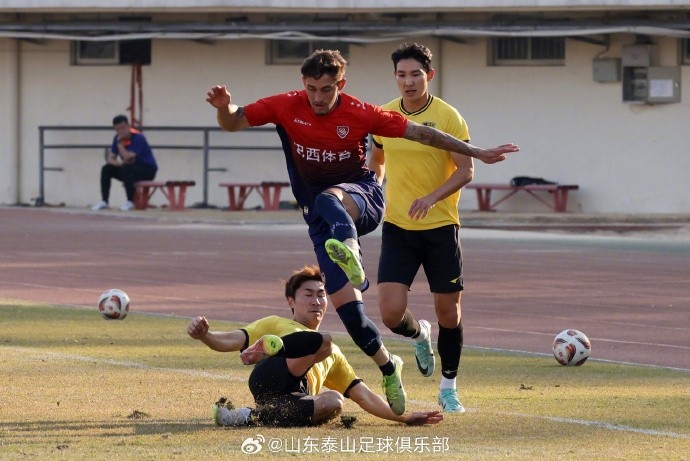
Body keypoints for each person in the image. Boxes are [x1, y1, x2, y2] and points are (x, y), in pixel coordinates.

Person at [205, 49, 518, 415]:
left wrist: (477, 152)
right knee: (352, 316)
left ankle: (351, 249)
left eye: (326, 89)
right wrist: (224, 108)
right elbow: (234, 121)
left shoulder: (362, 112)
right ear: (303, 84)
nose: (318, 98)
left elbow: (423, 134)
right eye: (312, 89)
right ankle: (389, 366)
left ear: (341, 84)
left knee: (330, 198)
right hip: (323, 223)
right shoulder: (285, 105)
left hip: (361, 200)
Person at [186, 265, 443, 427]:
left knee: (335, 401)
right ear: (291, 301)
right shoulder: (275, 323)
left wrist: (403, 417)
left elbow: (363, 395)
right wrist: (205, 335)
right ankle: (267, 351)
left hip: (293, 399)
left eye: (321, 295)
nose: (316, 301)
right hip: (269, 375)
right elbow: (230, 339)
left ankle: (247, 416)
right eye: (308, 295)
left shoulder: (335, 356)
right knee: (323, 341)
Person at [369, 43, 477, 413]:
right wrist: (372, 186)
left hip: (440, 227)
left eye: (415, 74)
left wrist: (432, 197)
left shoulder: (448, 117)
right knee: (390, 314)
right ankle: (419, 334)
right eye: (401, 75)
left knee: (449, 314)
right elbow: (377, 160)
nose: (409, 81)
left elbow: (466, 170)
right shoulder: (384, 115)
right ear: (395, 77)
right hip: (398, 227)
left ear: (429, 75)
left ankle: (448, 388)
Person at [91, 115, 157, 211]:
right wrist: (118, 164)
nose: (120, 132)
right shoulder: (117, 138)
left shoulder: (138, 137)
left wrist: (119, 144)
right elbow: (111, 158)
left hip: (147, 170)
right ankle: (104, 201)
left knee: (127, 169)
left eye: (123, 128)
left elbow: (128, 157)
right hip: (129, 169)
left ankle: (130, 202)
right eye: (117, 130)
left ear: (128, 126)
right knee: (106, 169)